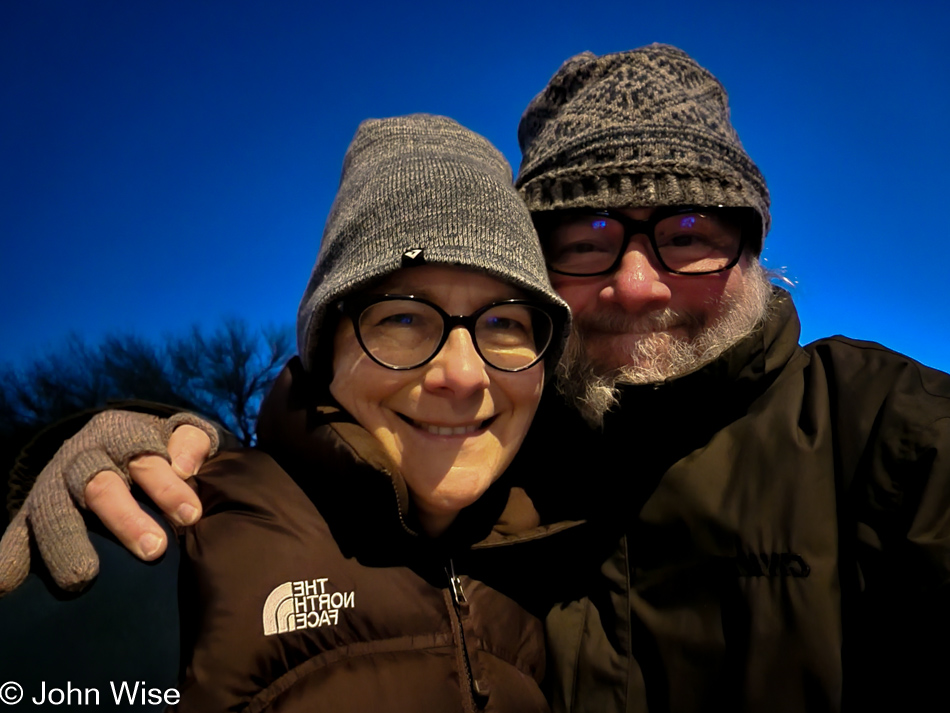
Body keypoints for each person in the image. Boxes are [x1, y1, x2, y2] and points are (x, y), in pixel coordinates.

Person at [5, 44, 950, 713]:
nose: (635, 281)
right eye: (585, 240)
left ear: (752, 249)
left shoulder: (887, 432)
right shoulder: (486, 480)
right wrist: (75, 451)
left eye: (690, 233)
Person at [0, 113, 575, 712]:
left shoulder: (555, 565)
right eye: (403, 318)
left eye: (506, 321)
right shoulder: (174, 550)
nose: (462, 374)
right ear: (326, 348)